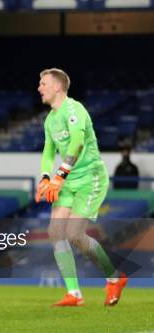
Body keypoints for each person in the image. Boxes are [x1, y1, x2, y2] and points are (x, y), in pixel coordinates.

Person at [35, 68, 127, 307]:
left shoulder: (75, 110)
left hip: (90, 178)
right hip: (68, 180)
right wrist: (46, 177)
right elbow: (48, 151)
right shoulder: (50, 119)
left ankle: (115, 278)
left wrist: (59, 176)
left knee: (74, 234)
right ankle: (74, 294)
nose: (39, 88)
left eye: (43, 83)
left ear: (57, 87)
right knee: (56, 232)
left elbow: (76, 143)